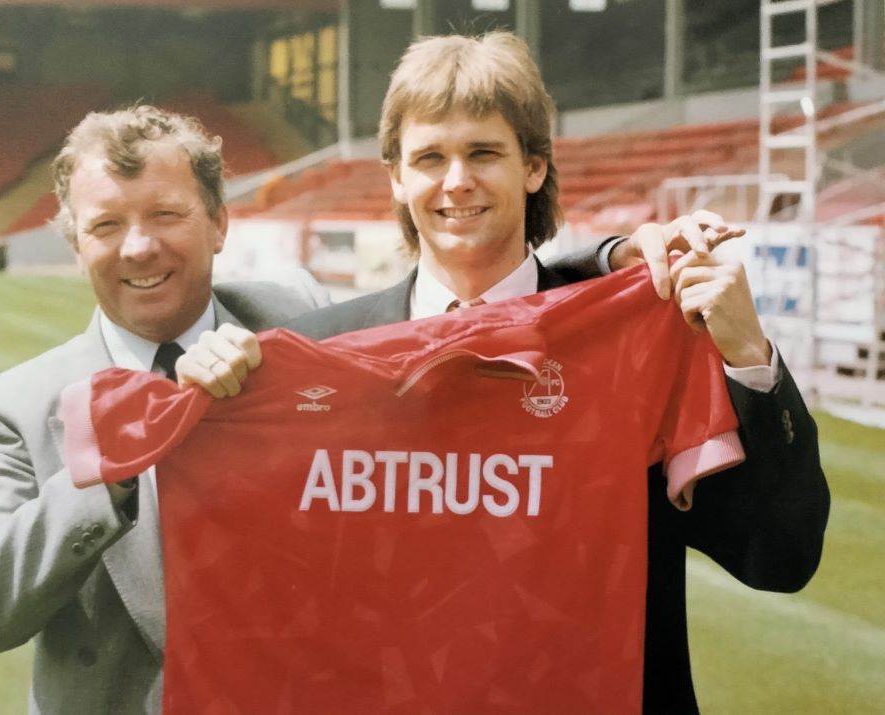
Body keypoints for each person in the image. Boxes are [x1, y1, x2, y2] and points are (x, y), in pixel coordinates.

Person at [179, 33, 829, 714]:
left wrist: (749, 355)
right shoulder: (320, 357)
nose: (455, 179)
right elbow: (257, 592)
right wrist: (206, 402)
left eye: (483, 152)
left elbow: (778, 558)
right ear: (396, 177)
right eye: (430, 156)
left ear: (534, 168)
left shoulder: (636, 345)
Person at [0, 105, 328, 715]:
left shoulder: (301, 320)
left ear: (220, 224)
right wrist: (106, 474)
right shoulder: (9, 408)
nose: (139, 247)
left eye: (166, 214)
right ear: (76, 245)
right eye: (106, 226)